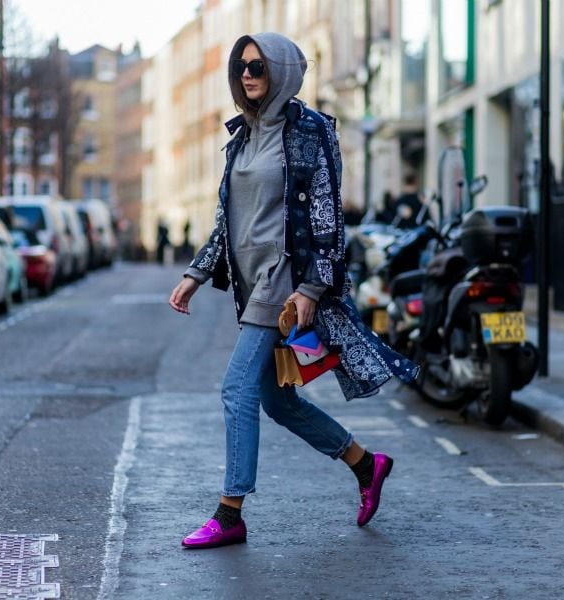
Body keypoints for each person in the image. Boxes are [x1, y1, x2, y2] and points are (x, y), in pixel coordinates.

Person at [169, 32, 418, 550]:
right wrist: (196, 273)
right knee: (278, 402)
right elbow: (227, 221)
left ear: (281, 69)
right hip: (250, 285)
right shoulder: (241, 137)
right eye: (240, 65)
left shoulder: (311, 131)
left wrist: (310, 286)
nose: (247, 73)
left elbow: (327, 213)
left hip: (281, 284)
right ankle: (366, 464)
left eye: (257, 65)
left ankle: (230, 511)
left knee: (236, 390)